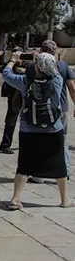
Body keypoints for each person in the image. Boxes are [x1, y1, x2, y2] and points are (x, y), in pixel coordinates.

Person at [2, 51, 72, 208]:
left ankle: (15, 198)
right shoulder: (57, 80)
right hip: (53, 129)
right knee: (59, 163)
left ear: (37, 66)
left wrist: (13, 61)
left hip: (28, 130)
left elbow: (6, 75)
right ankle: (64, 200)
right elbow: (56, 69)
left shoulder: (24, 81)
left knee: (25, 164)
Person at [37, 40, 75, 177]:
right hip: (62, 107)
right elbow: (72, 88)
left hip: (42, 108)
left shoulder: (36, 66)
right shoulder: (63, 66)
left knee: (41, 140)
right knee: (62, 140)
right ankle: (65, 171)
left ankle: (40, 174)